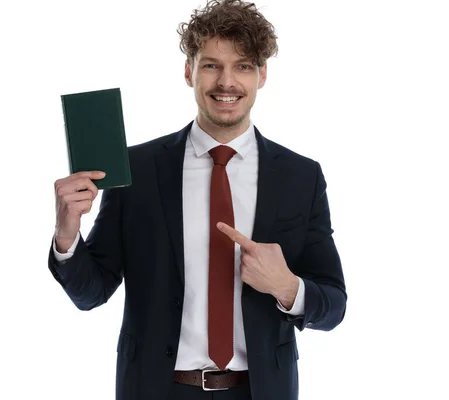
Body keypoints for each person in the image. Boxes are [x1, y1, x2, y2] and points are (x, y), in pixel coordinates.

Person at [48, 1, 346, 399]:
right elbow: (92, 292)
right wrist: (67, 237)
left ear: (262, 75)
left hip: (260, 390)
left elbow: (334, 304)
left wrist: (288, 287)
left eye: (242, 65)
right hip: (157, 389)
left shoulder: (300, 176)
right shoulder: (136, 169)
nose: (227, 82)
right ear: (189, 71)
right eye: (211, 65)